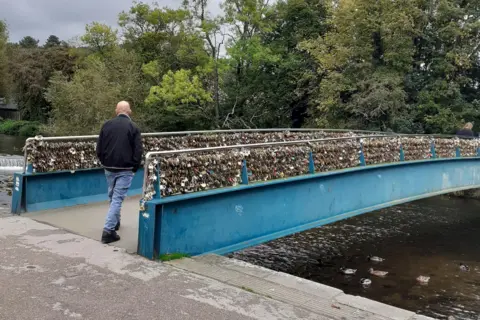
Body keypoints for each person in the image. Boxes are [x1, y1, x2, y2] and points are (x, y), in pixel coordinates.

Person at [96, 101, 143, 244]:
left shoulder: (107, 125)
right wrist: (135, 167)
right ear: (129, 111)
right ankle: (108, 231)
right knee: (117, 198)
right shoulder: (133, 127)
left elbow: (99, 148)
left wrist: (104, 161)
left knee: (112, 195)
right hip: (125, 169)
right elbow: (138, 150)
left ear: (116, 111)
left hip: (109, 167)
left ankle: (115, 223)